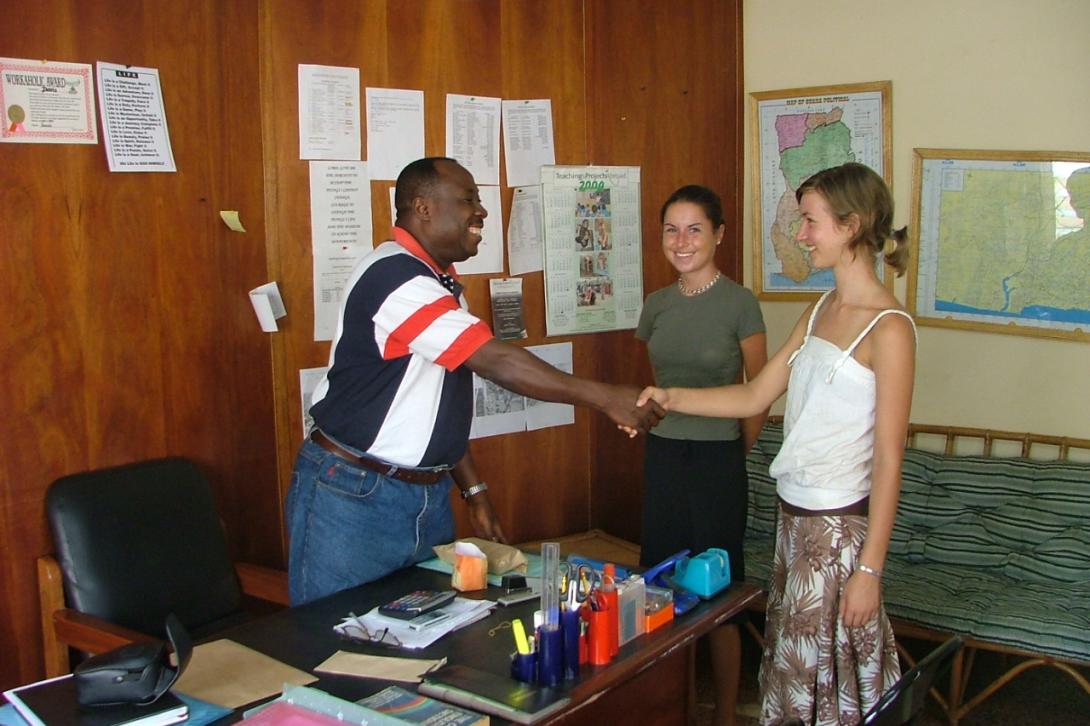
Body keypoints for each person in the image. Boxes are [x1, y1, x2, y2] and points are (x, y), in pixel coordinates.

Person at [286, 157, 664, 605]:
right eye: (468, 199)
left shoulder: (439, 284)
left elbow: (434, 405)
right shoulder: (397, 276)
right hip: (354, 497)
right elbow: (493, 361)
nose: (481, 212)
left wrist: (475, 490)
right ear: (422, 208)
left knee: (417, 644)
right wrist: (606, 398)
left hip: (422, 496)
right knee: (339, 647)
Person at [637, 163, 916, 725]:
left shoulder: (889, 328)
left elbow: (889, 460)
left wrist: (871, 571)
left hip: (840, 536)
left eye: (810, 221)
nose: (802, 234)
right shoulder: (818, 311)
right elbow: (754, 395)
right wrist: (665, 396)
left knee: (832, 686)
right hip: (796, 526)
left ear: (851, 225)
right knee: (793, 676)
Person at [636, 185, 768, 726]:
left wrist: (736, 450)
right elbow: (657, 387)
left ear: (718, 234)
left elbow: (758, 392)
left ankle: (726, 714)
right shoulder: (657, 305)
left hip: (718, 462)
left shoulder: (741, 303)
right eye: (672, 229)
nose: (682, 241)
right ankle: (676, 707)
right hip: (664, 457)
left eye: (695, 229)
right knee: (660, 589)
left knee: (719, 588)